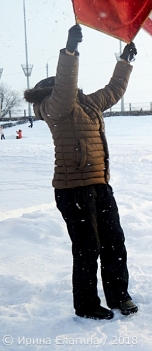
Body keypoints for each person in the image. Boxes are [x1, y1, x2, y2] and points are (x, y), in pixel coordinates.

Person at [23, 24, 138, 321]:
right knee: (88, 248)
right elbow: (64, 87)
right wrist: (70, 51)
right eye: (63, 86)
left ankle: (119, 295)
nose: (70, 88)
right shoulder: (53, 107)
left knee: (114, 241)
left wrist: (125, 62)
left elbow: (113, 91)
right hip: (73, 188)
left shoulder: (86, 104)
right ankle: (86, 304)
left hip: (100, 184)